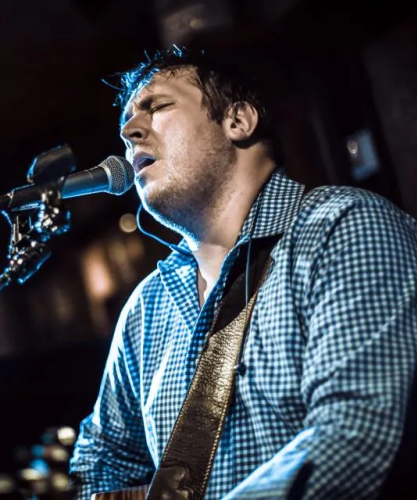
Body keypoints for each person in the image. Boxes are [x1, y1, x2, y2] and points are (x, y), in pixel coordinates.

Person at [69, 47, 417, 499]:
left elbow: (354, 435)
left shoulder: (344, 227)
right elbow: (100, 463)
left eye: (157, 107)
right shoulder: (145, 307)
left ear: (238, 122)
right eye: (128, 125)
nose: (130, 131)